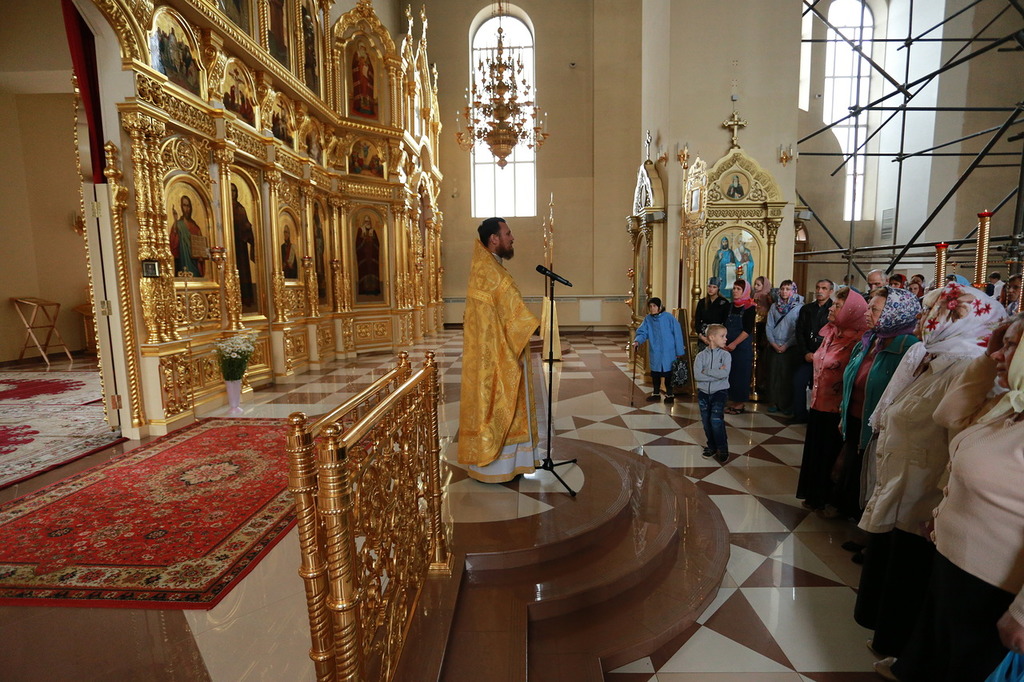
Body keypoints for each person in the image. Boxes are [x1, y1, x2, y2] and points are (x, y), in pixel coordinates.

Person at [855, 283, 1006, 661]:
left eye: (935, 313)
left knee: (911, 578)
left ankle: (902, 652)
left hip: (925, 500)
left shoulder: (969, 369)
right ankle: (893, 644)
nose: (925, 320)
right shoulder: (937, 358)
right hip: (903, 488)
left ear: (958, 321)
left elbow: (956, 439)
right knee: (896, 573)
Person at [879, 313, 1024, 682]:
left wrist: (1023, 613)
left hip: (993, 586)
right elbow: (949, 416)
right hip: (955, 565)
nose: (998, 355)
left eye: (1010, 346)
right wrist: (986, 358)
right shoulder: (1008, 408)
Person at [826, 286, 921, 521]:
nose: (867, 313)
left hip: (882, 428)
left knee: (872, 475)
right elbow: (852, 379)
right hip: (856, 418)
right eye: (868, 307)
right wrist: (844, 413)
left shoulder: (908, 348)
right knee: (852, 468)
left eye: (875, 309)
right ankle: (849, 512)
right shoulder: (869, 340)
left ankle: (865, 524)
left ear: (894, 313)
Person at [458, 218, 541, 483]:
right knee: (502, 398)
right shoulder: (490, 271)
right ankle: (500, 467)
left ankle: (508, 464)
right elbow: (511, 308)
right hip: (496, 352)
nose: (512, 237)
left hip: (495, 347)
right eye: (507, 233)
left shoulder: (486, 266)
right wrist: (536, 326)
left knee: (497, 399)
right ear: (494, 239)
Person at [796, 287, 869, 511]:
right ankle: (813, 493)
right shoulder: (831, 332)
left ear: (850, 311)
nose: (832, 308)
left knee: (830, 455)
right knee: (816, 451)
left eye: (838, 305)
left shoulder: (858, 341)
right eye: (834, 304)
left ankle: (829, 498)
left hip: (837, 411)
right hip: (819, 403)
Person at [791, 279, 834, 424]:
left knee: (821, 387)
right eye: (818, 287)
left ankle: (817, 417)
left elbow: (832, 334)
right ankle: (800, 415)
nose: (820, 291)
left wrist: (820, 354)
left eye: (824, 288)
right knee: (799, 382)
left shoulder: (833, 308)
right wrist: (805, 352)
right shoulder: (807, 309)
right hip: (807, 355)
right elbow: (800, 332)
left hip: (824, 357)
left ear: (830, 291)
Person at [633, 297, 686, 403]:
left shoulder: (669, 318)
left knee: (668, 374)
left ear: (660, 307)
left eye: (654, 306)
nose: (652, 308)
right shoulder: (648, 319)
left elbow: (677, 334)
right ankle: (656, 393)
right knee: (656, 373)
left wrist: (679, 351)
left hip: (669, 351)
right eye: (651, 306)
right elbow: (643, 332)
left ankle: (669, 394)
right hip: (655, 350)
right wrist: (637, 341)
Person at [765, 280, 804, 417]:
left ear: (793, 290)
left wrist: (786, 345)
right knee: (774, 374)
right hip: (775, 345)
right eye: (782, 289)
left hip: (790, 347)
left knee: (787, 375)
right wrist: (774, 343)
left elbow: (797, 330)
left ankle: (786, 404)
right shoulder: (774, 307)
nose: (784, 292)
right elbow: (769, 326)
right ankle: (774, 402)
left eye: (788, 289)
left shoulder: (799, 308)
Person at [694, 323, 731, 464]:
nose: (726, 339)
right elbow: (698, 375)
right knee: (706, 421)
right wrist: (716, 373)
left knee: (716, 421)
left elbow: (724, 373)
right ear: (711, 337)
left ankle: (723, 448)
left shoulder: (726, 356)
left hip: (719, 392)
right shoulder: (700, 356)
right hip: (703, 393)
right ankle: (712, 446)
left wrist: (707, 371)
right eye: (722, 336)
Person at [724, 280, 756, 414]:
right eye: (734, 288)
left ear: (745, 291)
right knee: (730, 374)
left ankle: (740, 404)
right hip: (727, 345)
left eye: (738, 289)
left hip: (741, 346)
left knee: (741, 375)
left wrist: (734, 343)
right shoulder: (730, 306)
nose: (735, 291)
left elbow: (747, 330)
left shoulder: (750, 307)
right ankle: (732, 401)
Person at [230, 184, 256, 307]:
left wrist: (247, 229)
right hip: (230, 246)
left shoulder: (240, 208)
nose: (233, 193)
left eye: (234, 190)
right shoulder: (225, 208)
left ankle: (246, 298)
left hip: (241, 246)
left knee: (243, 272)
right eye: (230, 191)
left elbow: (246, 225)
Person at [169, 195, 205, 277]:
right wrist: (175, 221)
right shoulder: (178, 225)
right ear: (181, 207)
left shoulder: (196, 228)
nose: (187, 209)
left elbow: (202, 250)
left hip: (195, 265)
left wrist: (201, 255)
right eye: (184, 205)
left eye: (188, 206)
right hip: (183, 263)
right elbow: (173, 246)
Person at [694, 277, 730, 349]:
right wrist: (702, 337)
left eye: (714, 287)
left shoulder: (724, 303)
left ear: (718, 289)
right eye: (709, 286)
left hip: (718, 335)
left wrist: (721, 337)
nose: (711, 289)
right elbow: (697, 321)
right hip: (704, 335)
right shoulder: (702, 302)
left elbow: (726, 322)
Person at [355, 215, 381, 295]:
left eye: (369, 222)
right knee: (364, 271)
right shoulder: (360, 230)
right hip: (364, 257)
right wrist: (364, 240)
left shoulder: (373, 231)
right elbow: (357, 244)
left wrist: (371, 240)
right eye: (366, 222)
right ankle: (364, 290)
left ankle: (374, 289)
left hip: (372, 256)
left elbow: (377, 244)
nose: (368, 223)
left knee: (373, 271)